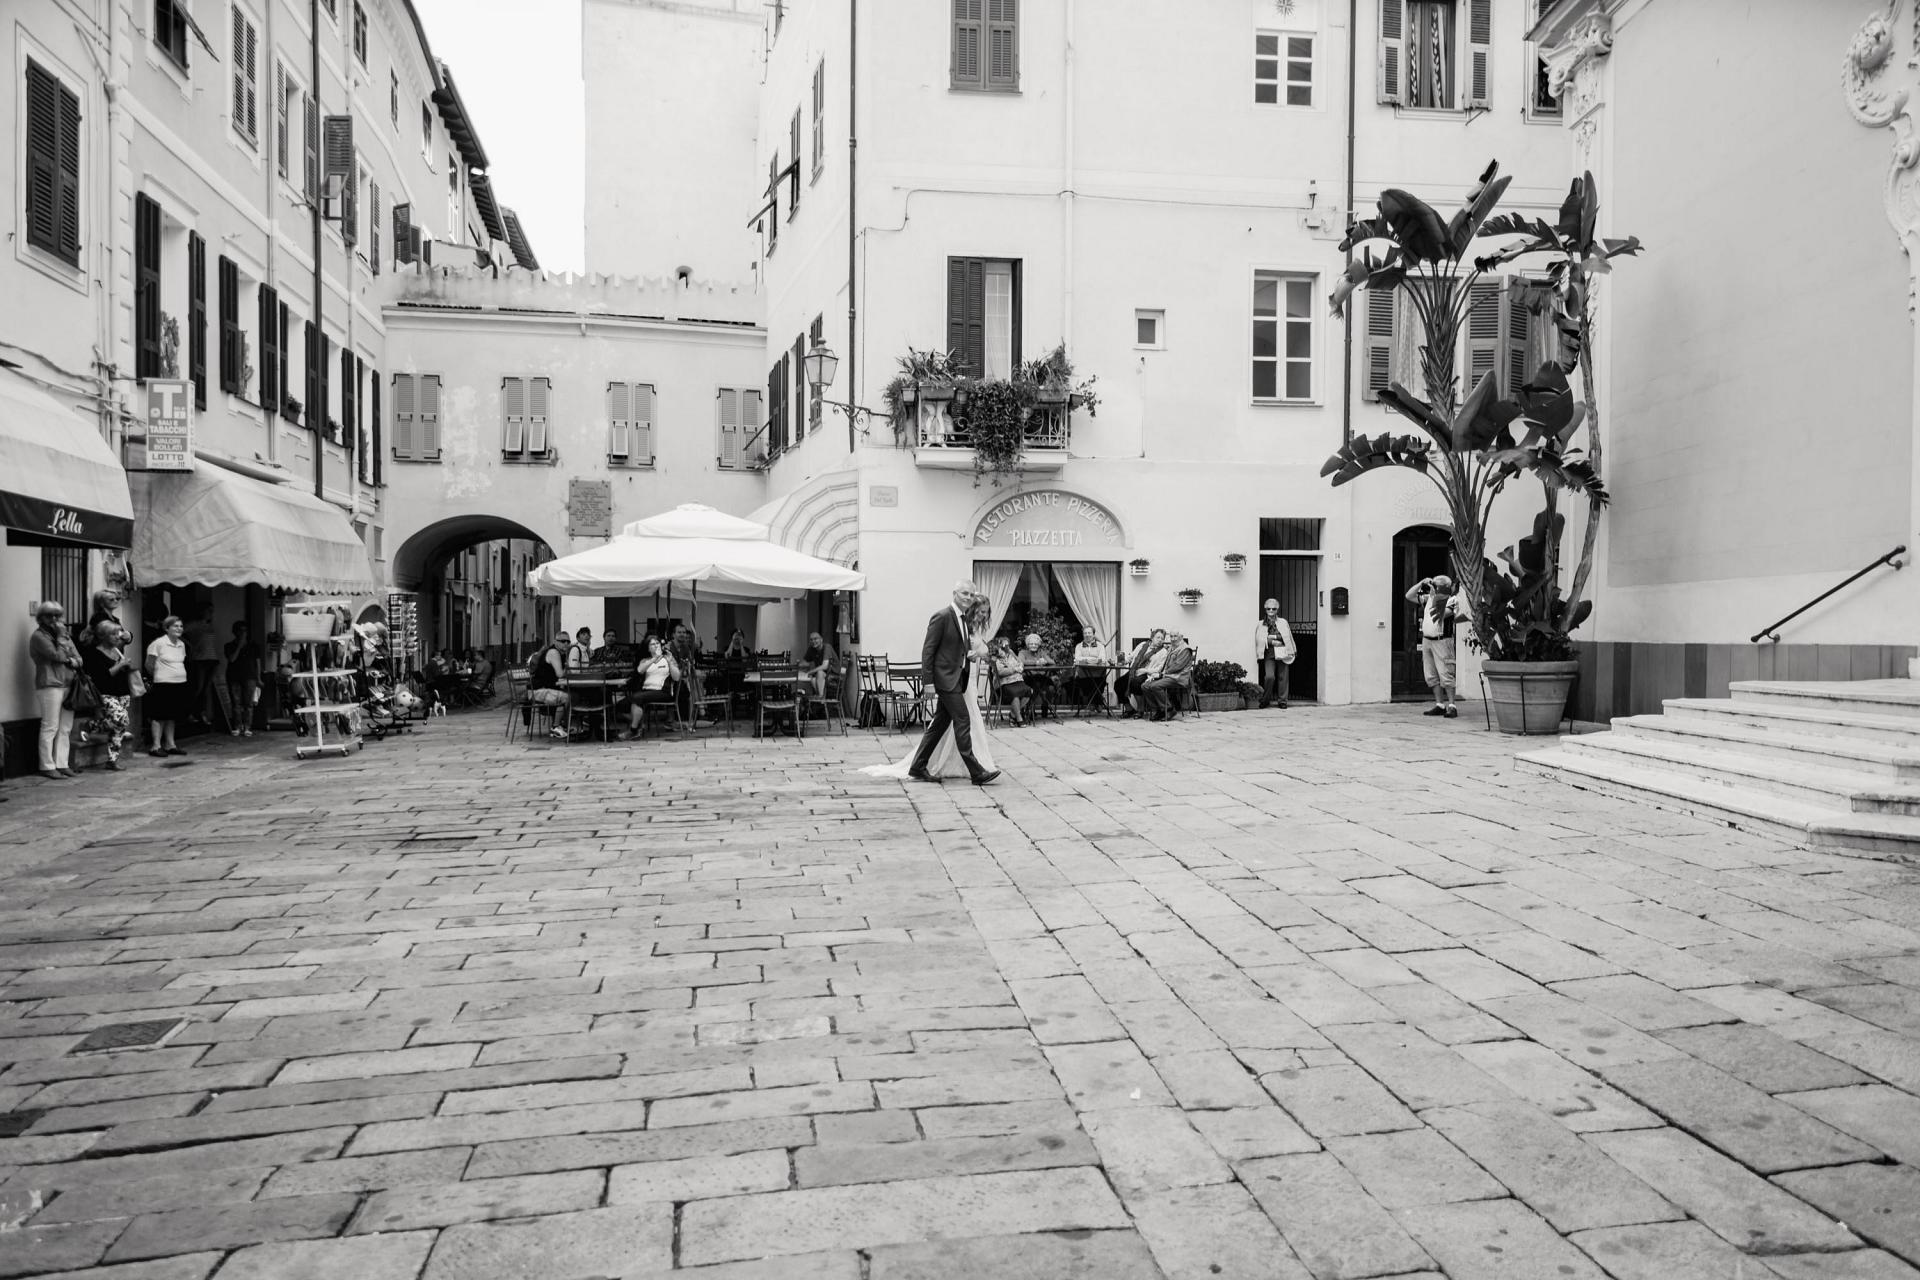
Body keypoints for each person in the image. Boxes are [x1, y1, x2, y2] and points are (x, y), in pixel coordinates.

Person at [868, 582, 998, 785]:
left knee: (939, 725)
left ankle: (917, 767)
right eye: (964, 593)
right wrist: (928, 682)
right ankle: (976, 772)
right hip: (945, 681)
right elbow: (928, 651)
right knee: (963, 719)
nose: (968, 597)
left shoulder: (963, 619)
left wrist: (969, 658)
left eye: (971, 595)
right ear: (955, 593)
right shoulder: (942, 616)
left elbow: (957, 651)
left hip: (957, 679)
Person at [29, 602, 83, 779]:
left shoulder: (65, 636)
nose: (54, 619)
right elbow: (56, 656)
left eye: (57, 615)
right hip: (50, 683)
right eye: (49, 616)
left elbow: (79, 658)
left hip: (69, 683)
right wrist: (62, 643)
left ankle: (62, 763)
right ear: (41, 618)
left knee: (65, 727)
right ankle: (46, 765)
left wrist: (71, 660)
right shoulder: (39, 636)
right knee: (50, 726)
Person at [80, 622, 136, 770]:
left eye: (118, 633)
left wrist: (126, 666)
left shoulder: (117, 650)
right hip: (105, 692)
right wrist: (120, 665)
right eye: (113, 634)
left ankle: (112, 760)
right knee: (121, 719)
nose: (117, 637)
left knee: (118, 727)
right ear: (103, 636)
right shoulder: (94, 653)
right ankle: (92, 726)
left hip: (122, 692)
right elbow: (102, 676)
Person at [1408, 574, 1465, 719]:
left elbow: (1440, 614)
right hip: (1427, 641)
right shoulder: (1430, 599)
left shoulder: (1452, 600)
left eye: (1436, 586)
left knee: (1446, 673)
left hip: (1442, 641)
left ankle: (1452, 706)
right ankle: (1440, 705)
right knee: (1431, 675)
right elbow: (1409, 595)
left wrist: (1433, 596)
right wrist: (1421, 583)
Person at [143, 614, 190, 757]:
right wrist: (159, 676)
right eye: (175, 626)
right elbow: (149, 664)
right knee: (159, 715)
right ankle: (156, 746)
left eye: (181, 626)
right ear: (167, 628)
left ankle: (170, 744)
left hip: (179, 683)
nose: (179, 628)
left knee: (172, 715)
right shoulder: (158, 643)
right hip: (163, 684)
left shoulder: (181, 644)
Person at [621, 636, 682, 738]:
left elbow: (676, 678)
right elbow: (640, 670)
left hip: (663, 691)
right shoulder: (645, 660)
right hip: (646, 691)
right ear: (648, 648)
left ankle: (633, 730)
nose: (656, 646)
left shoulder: (668, 658)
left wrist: (670, 661)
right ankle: (637, 724)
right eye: (652, 644)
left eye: (657, 643)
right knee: (622, 704)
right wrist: (654, 658)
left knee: (636, 698)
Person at [1254, 598, 1298, 710]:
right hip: (1269, 653)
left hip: (1283, 651)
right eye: (1269, 608)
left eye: (1273, 608)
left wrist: (1292, 649)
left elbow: (1288, 637)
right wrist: (1272, 641)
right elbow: (1260, 639)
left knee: (1283, 677)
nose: (1271, 611)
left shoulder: (1283, 622)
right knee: (1269, 677)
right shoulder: (1261, 624)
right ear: (1265, 609)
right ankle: (1266, 700)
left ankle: (1282, 701)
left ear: (1277, 609)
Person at [527, 632, 571, 737]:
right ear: (555, 641)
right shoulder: (553, 653)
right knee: (567, 697)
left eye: (568, 641)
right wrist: (571, 667)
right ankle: (555, 727)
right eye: (562, 641)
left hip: (545, 688)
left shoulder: (561, 653)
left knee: (573, 694)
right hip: (537, 691)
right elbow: (560, 674)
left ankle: (565, 724)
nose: (566, 644)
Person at [1143, 631, 1195, 721]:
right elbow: (1165, 665)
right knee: (1145, 686)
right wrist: (1156, 674)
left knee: (1155, 685)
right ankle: (1159, 710)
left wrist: (1160, 674)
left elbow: (1177, 667)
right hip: (1169, 676)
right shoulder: (1172, 647)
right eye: (1171, 636)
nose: (1173, 638)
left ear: (1181, 636)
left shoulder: (1185, 649)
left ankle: (1169, 709)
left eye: (1175, 636)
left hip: (1178, 678)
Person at [183, 606, 221, 726]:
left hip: (212, 658)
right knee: (198, 687)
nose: (211, 613)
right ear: (202, 612)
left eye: (211, 611)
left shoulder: (210, 626)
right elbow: (177, 632)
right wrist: (189, 645)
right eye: (208, 610)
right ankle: (188, 712)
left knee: (206, 688)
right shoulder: (194, 625)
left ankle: (201, 713)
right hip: (200, 659)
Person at [224, 622, 263, 737]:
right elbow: (231, 659)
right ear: (234, 632)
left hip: (250, 676)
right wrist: (239, 646)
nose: (242, 633)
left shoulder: (253, 646)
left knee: (248, 703)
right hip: (233, 676)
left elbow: (258, 662)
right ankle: (237, 726)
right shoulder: (229, 646)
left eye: (245, 630)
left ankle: (247, 727)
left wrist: (258, 678)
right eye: (240, 630)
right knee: (236, 703)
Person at [1120, 629, 1168, 716]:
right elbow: (1132, 656)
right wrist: (1123, 662)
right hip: (1134, 670)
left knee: (1135, 683)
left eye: (1162, 638)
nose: (1160, 640)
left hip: (1148, 674)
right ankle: (1129, 708)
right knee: (1118, 684)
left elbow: (1159, 669)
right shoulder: (1143, 645)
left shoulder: (1163, 652)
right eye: (1158, 637)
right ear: (1152, 638)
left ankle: (1140, 709)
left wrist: (1145, 670)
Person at [990, 636, 1033, 727]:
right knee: (1015, 694)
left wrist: (1020, 666)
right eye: (1004, 645)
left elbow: (1019, 662)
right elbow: (1000, 672)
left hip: (1017, 680)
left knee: (1029, 691)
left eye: (1008, 645)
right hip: (1003, 683)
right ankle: (1019, 718)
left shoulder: (1010, 652)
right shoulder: (995, 656)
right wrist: (1014, 669)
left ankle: (1012, 715)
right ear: (999, 645)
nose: (1006, 647)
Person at [1070, 627, 1109, 711]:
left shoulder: (1100, 646)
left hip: (1098, 674)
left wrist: (1085, 659)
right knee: (1086, 683)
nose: (1087, 635)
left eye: (1089, 633)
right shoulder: (1079, 646)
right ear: (1083, 635)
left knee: (1099, 682)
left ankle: (1095, 703)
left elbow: (1102, 659)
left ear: (1093, 634)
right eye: (1085, 633)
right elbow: (1077, 659)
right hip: (1083, 674)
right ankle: (1096, 703)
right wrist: (1093, 660)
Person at [1018, 632, 1056, 718]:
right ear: (1027, 644)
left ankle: (1045, 707)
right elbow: (1021, 662)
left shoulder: (1041, 652)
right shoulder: (1022, 652)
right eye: (1031, 644)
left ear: (1039, 644)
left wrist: (1045, 661)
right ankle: (1030, 709)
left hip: (1042, 677)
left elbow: (1052, 662)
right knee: (1036, 686)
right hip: (1028, 678)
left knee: (1050, 688)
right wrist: (1036, 662)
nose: (1033, 645)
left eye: (1035, 644)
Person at [799, 631, 838, 699]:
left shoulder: (827, 647)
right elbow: (805, 663)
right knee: (813, 677)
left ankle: (820, 697)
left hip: (835, 675)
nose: (813, 641)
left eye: (815, 639)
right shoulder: (811, 649)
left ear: (821, 639)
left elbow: (825, 666)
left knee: (819, 673)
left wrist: (810, 671)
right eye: (811, 639)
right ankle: (820, 698)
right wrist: (794, 666)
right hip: (825, 675)